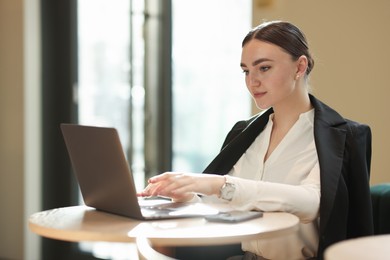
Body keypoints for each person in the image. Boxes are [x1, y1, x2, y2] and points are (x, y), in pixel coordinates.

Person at [138, 21, 374, 260]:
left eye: (264, 68)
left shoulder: (342, 136)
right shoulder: (244, 132)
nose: (252, 81)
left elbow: (311, 202)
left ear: (300, 67)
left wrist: (220, 185)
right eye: (246, 71)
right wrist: (187, 196)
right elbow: (221, 210)